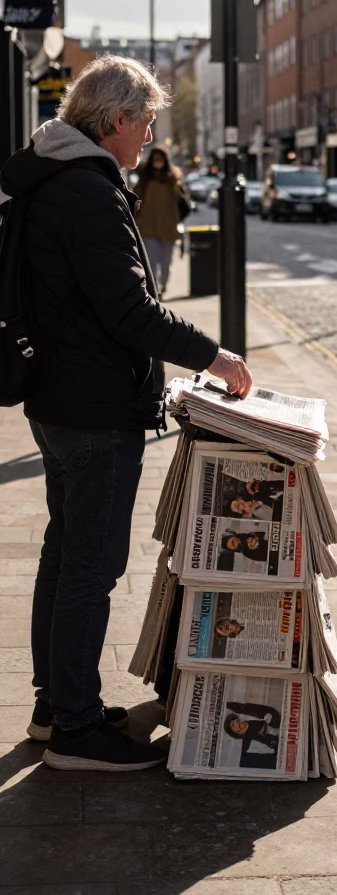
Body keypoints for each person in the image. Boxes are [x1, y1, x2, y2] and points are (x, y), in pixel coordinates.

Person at [0, 55, 253, 772]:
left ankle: (58, 703)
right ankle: (76, 730)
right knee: (90, 565)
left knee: (64, 553)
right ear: (116, 121)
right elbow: (128, 309)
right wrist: (215, 357)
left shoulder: (57, 176)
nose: (147, 136)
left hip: (61, 397)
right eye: (144, 122)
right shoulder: (87, 189)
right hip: (93, 406)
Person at [135, 144, 190, 296]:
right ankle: (154, 292)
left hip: (168, 228)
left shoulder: (173, 179)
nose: (157, 161)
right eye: (155, 158)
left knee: (166, 264)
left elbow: (184, 202)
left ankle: (162, 288)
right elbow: (135, 199)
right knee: (151, 264)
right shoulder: (145, 179)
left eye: (160, 159)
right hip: (148, 228)